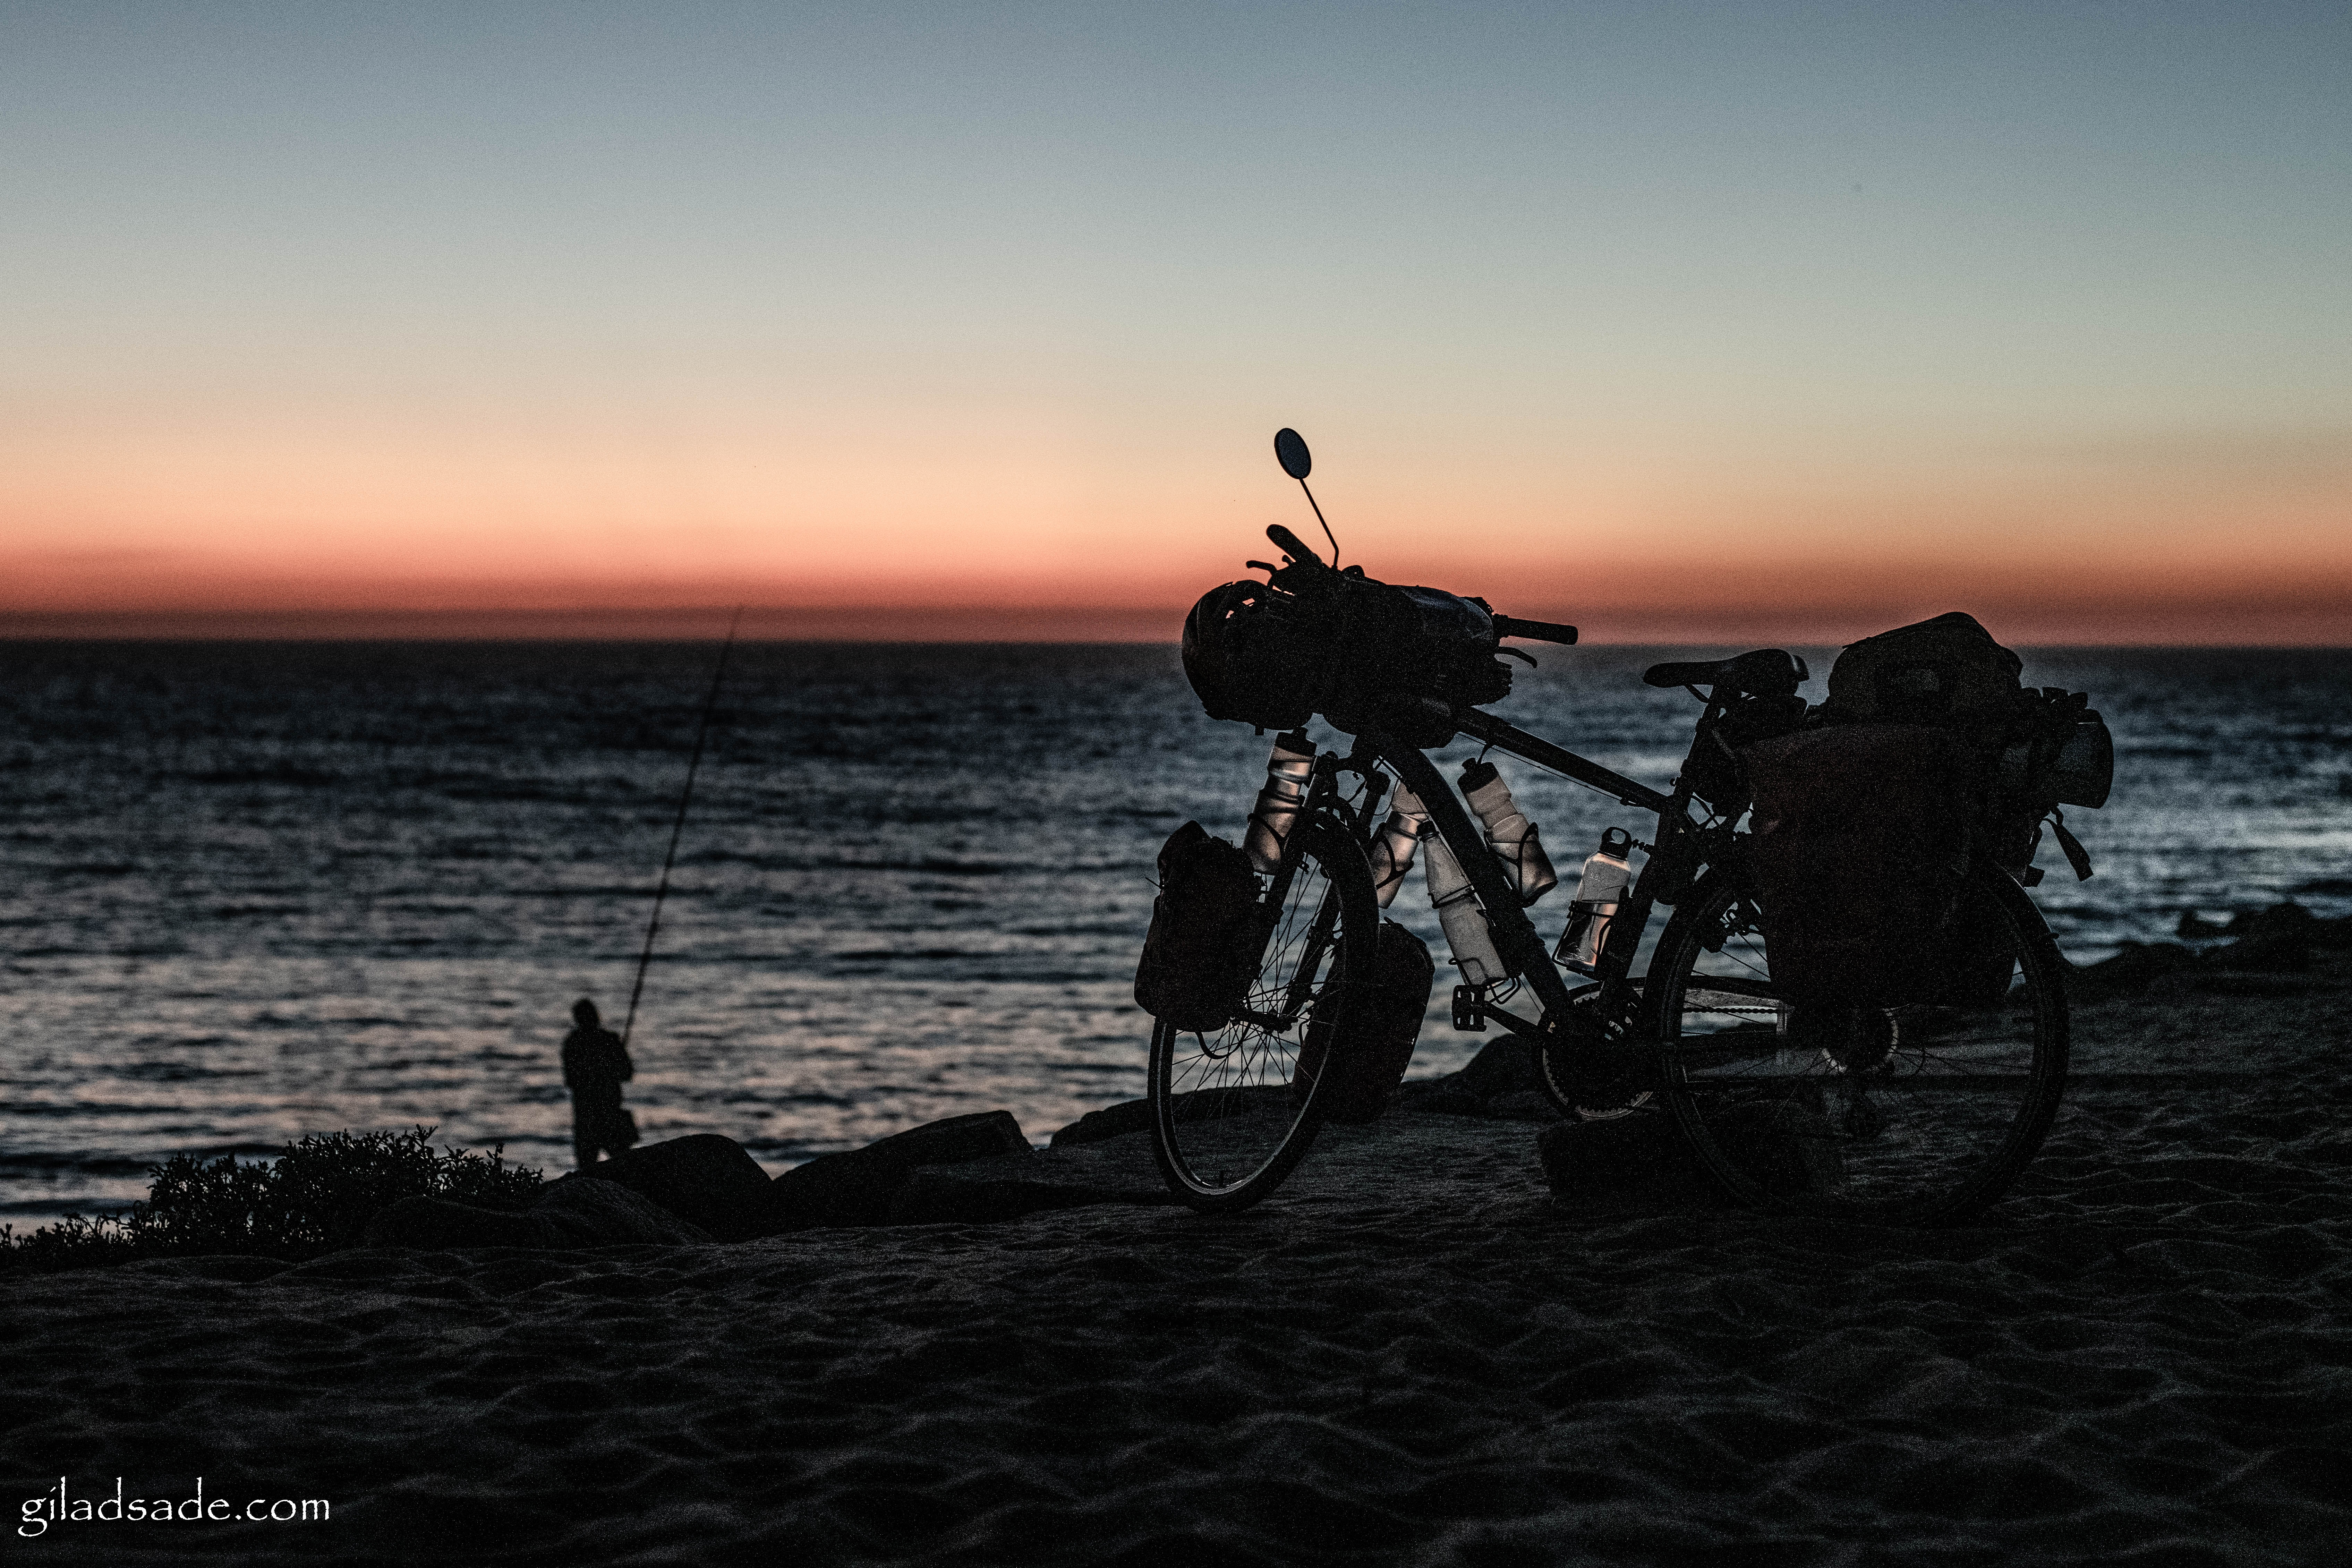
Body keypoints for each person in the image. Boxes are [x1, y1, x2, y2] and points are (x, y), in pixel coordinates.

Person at [561, 998, 637, 1169]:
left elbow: (571, 1080)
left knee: (587, 1172)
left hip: (588, 1116)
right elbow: (626, 1073)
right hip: (605, 1114)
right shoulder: (608, 1041)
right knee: (623, 1168)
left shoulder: (573, 1044)